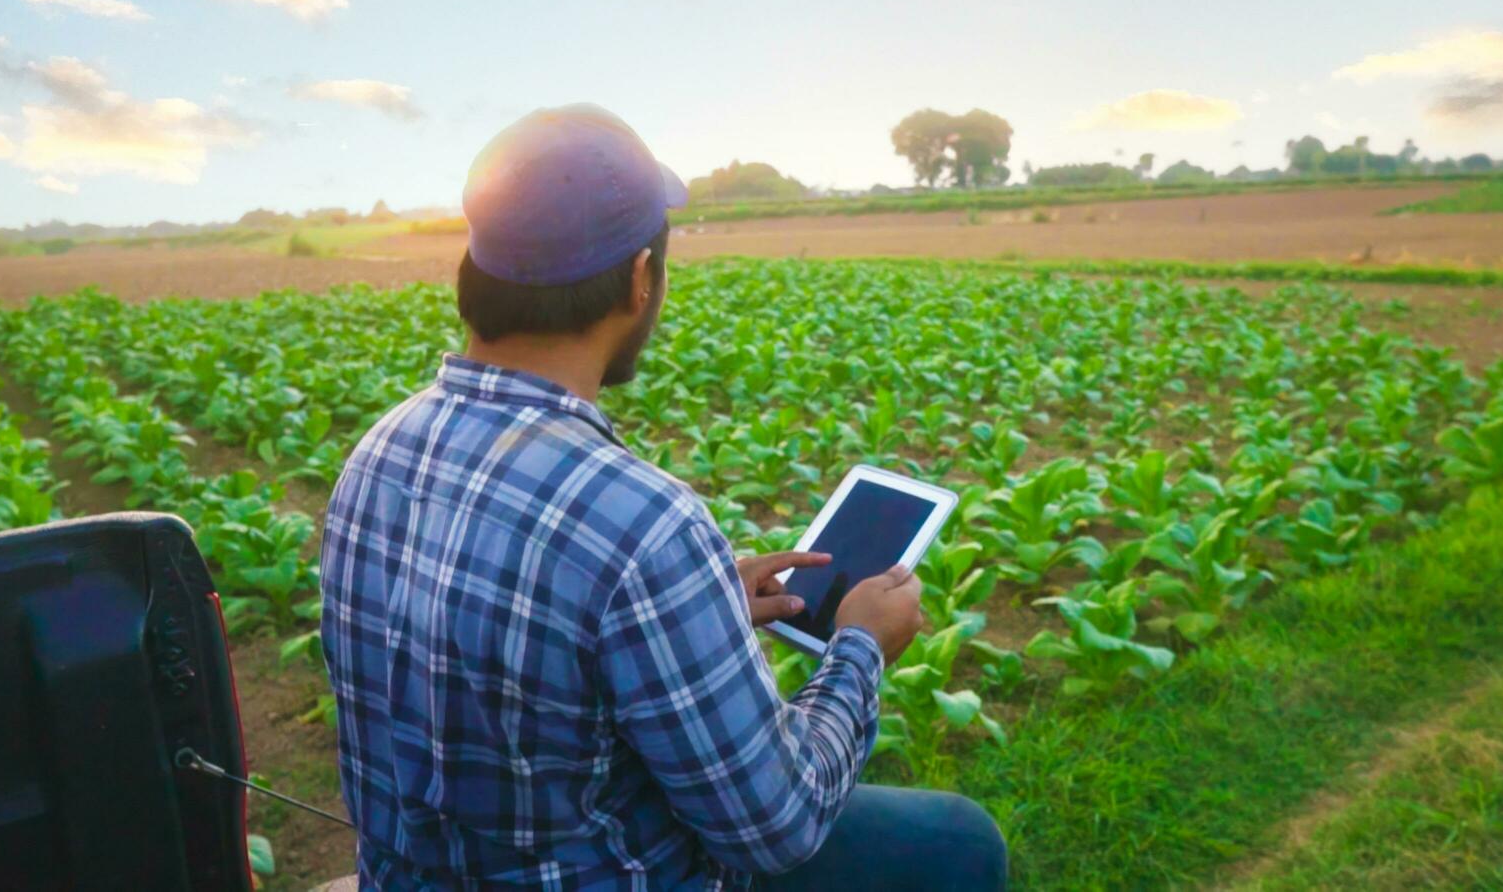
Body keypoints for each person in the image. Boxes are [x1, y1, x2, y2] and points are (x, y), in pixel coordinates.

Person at [320, 104, 1007, 890]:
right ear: (641, 279)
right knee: (960, 841)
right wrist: (859, 649)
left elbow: (489, 668)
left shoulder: (377, 449)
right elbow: (776, 827)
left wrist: (695, 610)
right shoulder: (638, 523)